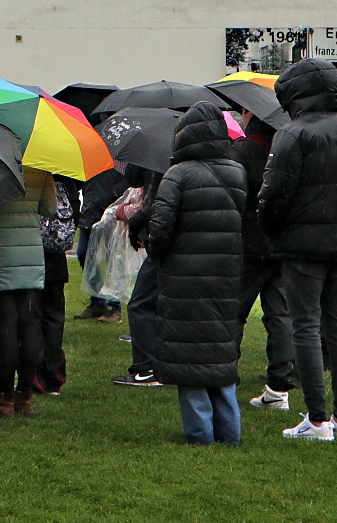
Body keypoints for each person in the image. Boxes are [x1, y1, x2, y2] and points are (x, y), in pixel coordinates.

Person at [258, 58, 337, 442]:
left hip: (301, 245)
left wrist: (271, 228)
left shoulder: (292, 134)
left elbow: (274, 194)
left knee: (305, 326)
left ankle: (317, 419)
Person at [146, 103, 248, 447]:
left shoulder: (177, 174)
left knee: (189, 354)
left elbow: (160, 229)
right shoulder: (238, 171)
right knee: (219, 351)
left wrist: (157, 256)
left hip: (184, 276)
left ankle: (200, 435)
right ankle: (229, 434)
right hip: (226, 274)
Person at [0, 164, 56, 417]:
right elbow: (48, 208)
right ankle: (25, 397)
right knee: (29, 325)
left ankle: (4, 398)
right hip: (29, 252)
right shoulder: (40, 166)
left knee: (6, 325)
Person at [228, 111, 296, 411]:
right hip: (279, 244)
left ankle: (225, 374)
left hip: (248, 244)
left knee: (233, 312)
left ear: (248, 114)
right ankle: (280, 385)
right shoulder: (285, 152)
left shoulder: (241, 151)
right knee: (279, 315)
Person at [112, 164, 165, 388]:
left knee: (141, 302)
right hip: (199, 245)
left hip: (167, 242)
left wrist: (137, 224)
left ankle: (147, 368)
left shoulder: (162, 166)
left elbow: (155, 205)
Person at [35, 176, 79, 394]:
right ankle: (54, 375)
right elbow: (75, 216)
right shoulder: (65, 180)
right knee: (53, 319)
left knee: (32, 318)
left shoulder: (28, 177)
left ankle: (36, 376)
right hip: (56, 260)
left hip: (32, 256)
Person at [74, 166, 126, 322]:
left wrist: (115, 194)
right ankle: (97, 301)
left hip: (111, 216)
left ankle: (114, 306)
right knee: (84, 254)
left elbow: (128, 180)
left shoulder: (119, 158)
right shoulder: (92, 157)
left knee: (113, 260)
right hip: (90, 212)